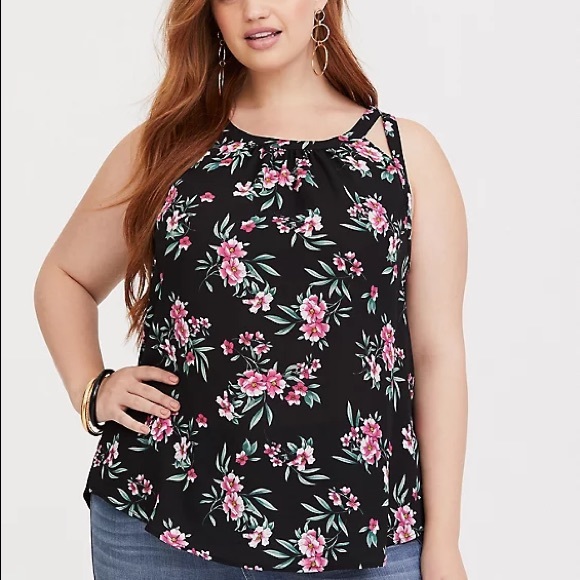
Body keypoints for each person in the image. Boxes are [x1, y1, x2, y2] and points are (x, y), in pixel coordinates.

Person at [34, 1, 469, 579]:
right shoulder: (168, 147)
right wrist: (91, 389)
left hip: (361, 533)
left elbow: (437, 356)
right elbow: (65, 278)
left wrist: (444, 543)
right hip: (161, 518)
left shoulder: (402, 155)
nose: (253, 10)